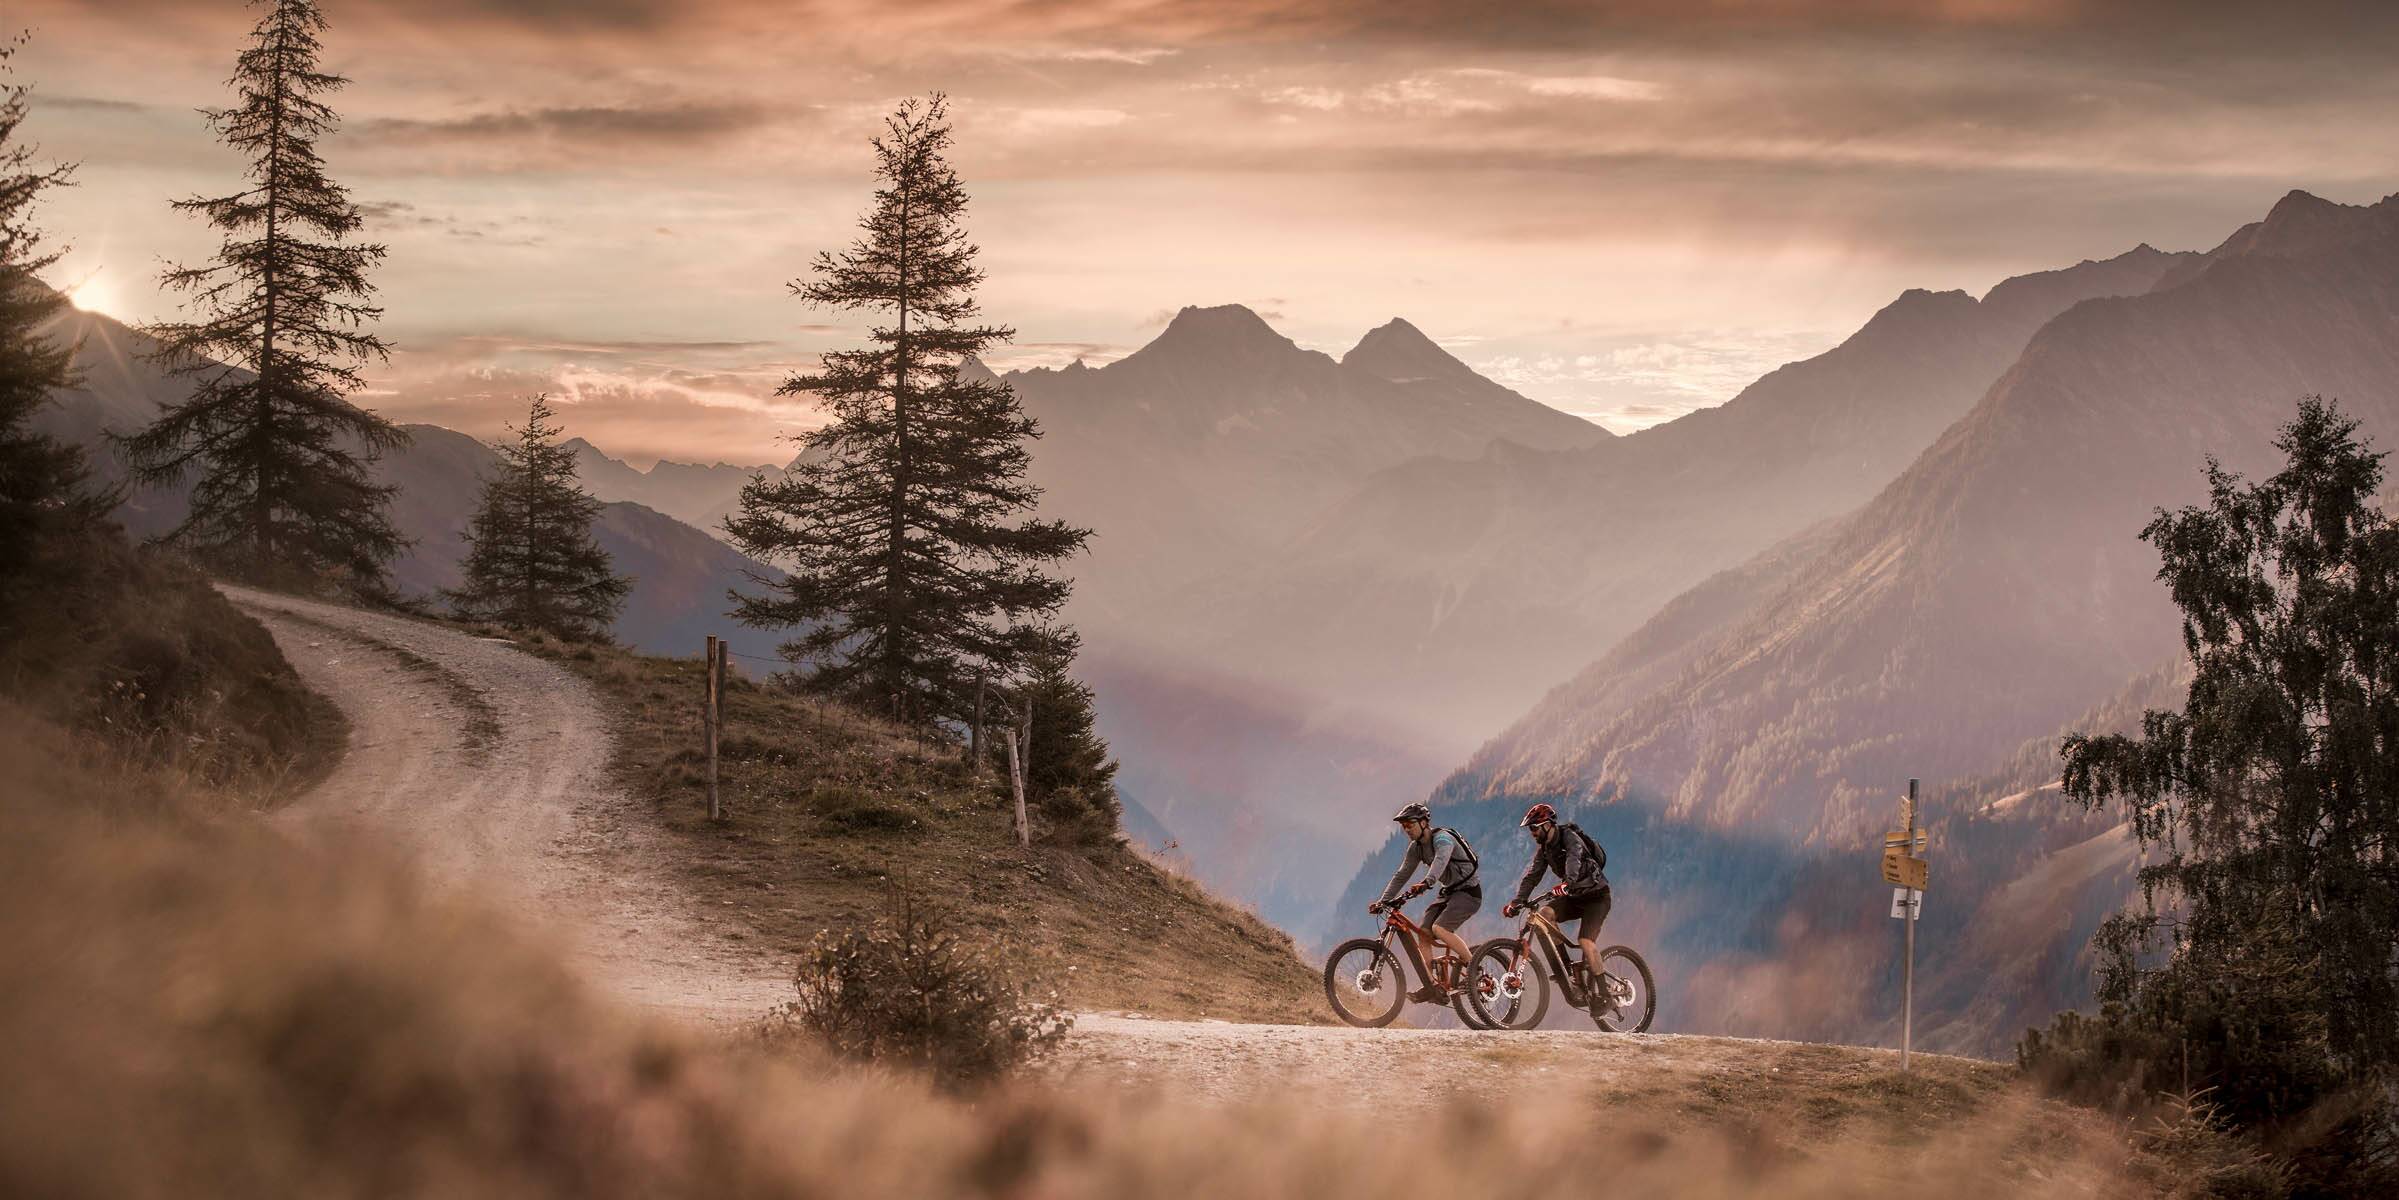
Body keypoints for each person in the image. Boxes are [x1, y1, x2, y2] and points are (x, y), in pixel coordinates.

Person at [1367, 802, 1482, 1002]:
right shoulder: (1416, 848)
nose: (1406, 829)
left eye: (1409, 824)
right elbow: (1402, 875)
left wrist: (1427, 882)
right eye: (1403, 827)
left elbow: (1441, 860)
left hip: (1469, 893)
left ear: (1423, 823)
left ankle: (1475, 970)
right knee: (1424, 934)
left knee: (1439, 929)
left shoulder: (1443, 838)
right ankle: (1433, 986)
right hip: (1449, 892)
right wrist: (1383, 901)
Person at [1501, 802, 1611, 994]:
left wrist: (1567, 882)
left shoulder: (1569, 837)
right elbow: (1532, 876)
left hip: (1597, 897)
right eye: (1530, 829)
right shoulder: (1545, 850)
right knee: (1544, 915)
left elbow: (1574, 858)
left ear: (1547, 825)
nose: (1532, 833)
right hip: (1575, 897)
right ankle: (1565, 966)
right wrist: (1517, 902)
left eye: (1534, 828)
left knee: (1585, 941)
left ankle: (1604, 994)